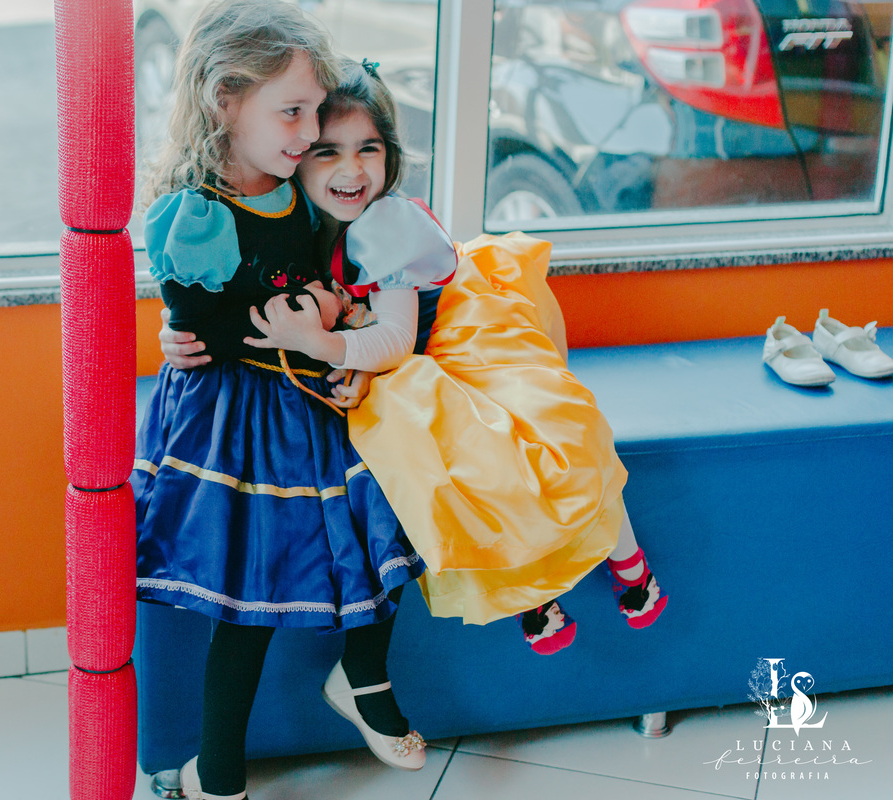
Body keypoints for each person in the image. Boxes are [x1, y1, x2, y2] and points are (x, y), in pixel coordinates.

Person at [163, 58, 668, 660]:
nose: (351, 169)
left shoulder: (385, 226)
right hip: (392, 350)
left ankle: (629, 565)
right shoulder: (297, 212)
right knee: (438, 457)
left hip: (462, 330)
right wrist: (181, 330)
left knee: (549, 431)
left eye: (368, 149)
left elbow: (396, 338)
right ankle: (529, 592)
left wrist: (325, 347)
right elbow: (251, 296)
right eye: (327, 152)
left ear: (390, 155)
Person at [133, 6, 427, 799]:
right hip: (233, 422)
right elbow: (209, 328)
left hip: (306, 398)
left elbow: (340, 274)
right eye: (292, 112)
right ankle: (217, 775)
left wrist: (341, 326)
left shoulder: (300, 184)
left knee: (389, 517)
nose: (310, 132)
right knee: (248, 599)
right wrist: (316, 315)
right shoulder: (195, 211)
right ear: (224, 100)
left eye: (314, 111)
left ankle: (363, 678)